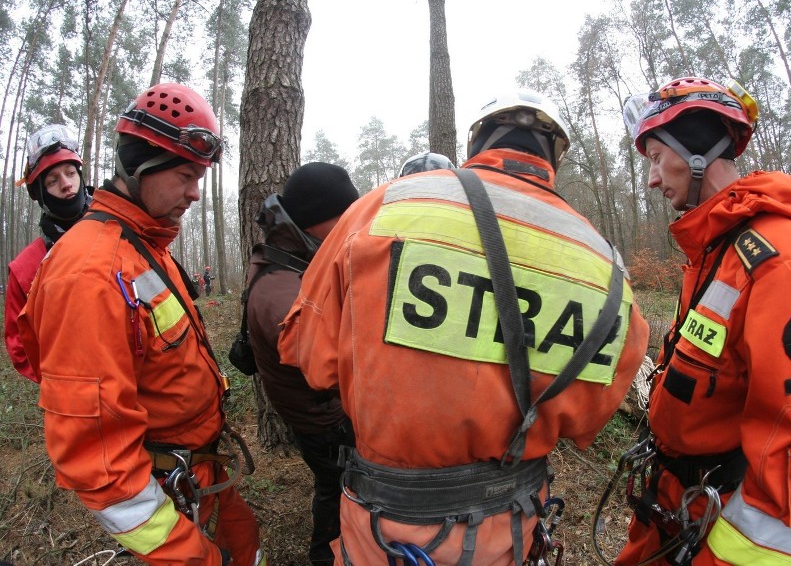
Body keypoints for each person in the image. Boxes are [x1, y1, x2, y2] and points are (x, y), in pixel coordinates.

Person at [278, 89, 649, 565]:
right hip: (512, 529)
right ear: (554, 156)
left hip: (387, 533)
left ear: (479, 141)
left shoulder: (384, 208)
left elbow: (308, 355)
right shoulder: (607, 266)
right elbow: (590, 411)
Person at [19, 82, 265, 566]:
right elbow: (99, 464)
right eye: (186, 175)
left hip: (199, 477)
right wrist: (189, 554)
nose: (196, 193)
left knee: (247, 545)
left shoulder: (142, 246)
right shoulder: (89, 273)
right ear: (141, 166)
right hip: (168, 504)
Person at [616, 76, 791, 565]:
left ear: (699, 151)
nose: (653, 179)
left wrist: (723, 557)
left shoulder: (779, 259)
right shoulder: (714, 251)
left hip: (716, 527)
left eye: (658, 157)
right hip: (673, 506)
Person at [248, 162, 359, 565]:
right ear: (316, 223)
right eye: (343, 219)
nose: (351, 228)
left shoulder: (294, 260)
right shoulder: (280, 291)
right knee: (341, 488)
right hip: (323, 419)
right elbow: (327, 363)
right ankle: (326, 556)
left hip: (322, 411)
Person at [5, 124, 92, 383]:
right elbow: (19, 346)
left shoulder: (122, 231)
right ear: (40, 194)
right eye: (53, 181)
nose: (67, 185)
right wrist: (66, 382)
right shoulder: (25, 268)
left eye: (70, 173)